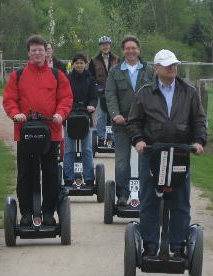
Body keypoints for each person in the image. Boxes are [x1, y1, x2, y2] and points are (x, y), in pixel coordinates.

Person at [127, 49, 207, 257]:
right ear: (157, 68)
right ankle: (151, 244)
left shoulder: (188, 92)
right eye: (168, 65)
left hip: (180, 153)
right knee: (149, 199)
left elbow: (199, 120)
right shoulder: (145, 93)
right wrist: (139, 141)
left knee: (180, 200)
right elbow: (134, 121)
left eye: (174, 64)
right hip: (152, 153)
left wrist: (198, 142)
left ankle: (178, 245)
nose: (173, 68)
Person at [3, 35, 73, 226]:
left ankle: (49, 212)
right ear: (29, 53)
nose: (37, 53)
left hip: (51, 132)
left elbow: (66, 98)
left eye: (40, 50)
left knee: (50, 173)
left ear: (46, 52)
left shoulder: (57, 75)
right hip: (25, 133)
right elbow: (9, 99)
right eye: (33, 50)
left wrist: (60, 114)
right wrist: (16, 113)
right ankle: (26, 213)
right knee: (25, 173)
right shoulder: (18, 75)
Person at [105, 35, 153, 206]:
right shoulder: (115, 71)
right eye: (127, 48)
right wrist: (115, 114)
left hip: (143, 126)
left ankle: (142, 194)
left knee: (144, 161)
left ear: (139, 50)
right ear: (123, 50)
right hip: (122, 124)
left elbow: (156, 95)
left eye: (134, 48)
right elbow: (110, 95)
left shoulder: (149, 71)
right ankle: (123, 195)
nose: (131, 51)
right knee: (122, 162)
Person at [63, 53, 97, 187]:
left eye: (82, 63)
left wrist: (92, 106)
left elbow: (94, 97)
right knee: (69, 149)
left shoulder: (90, 79)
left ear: (85, 64)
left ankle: (89, 178)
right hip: (69, 117)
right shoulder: (67, 79)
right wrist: (66, 107)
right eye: (76, 63)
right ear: (73, 64)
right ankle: (68, 178)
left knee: (87, 149)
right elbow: (63, 96)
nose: (79, 65)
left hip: (84, 117)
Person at [88, 36, 119, 146]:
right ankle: (101, 138)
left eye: (107, 44)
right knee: (101, 116)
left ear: (110, 45)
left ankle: (114, 139)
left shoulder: (116, 59)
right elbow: (90, 76)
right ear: (100, 46)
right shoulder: (94, 60)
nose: (105, 46)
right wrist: (96, 86)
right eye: (103, 45)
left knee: (114, 115)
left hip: (114, 93)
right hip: (100, 93)